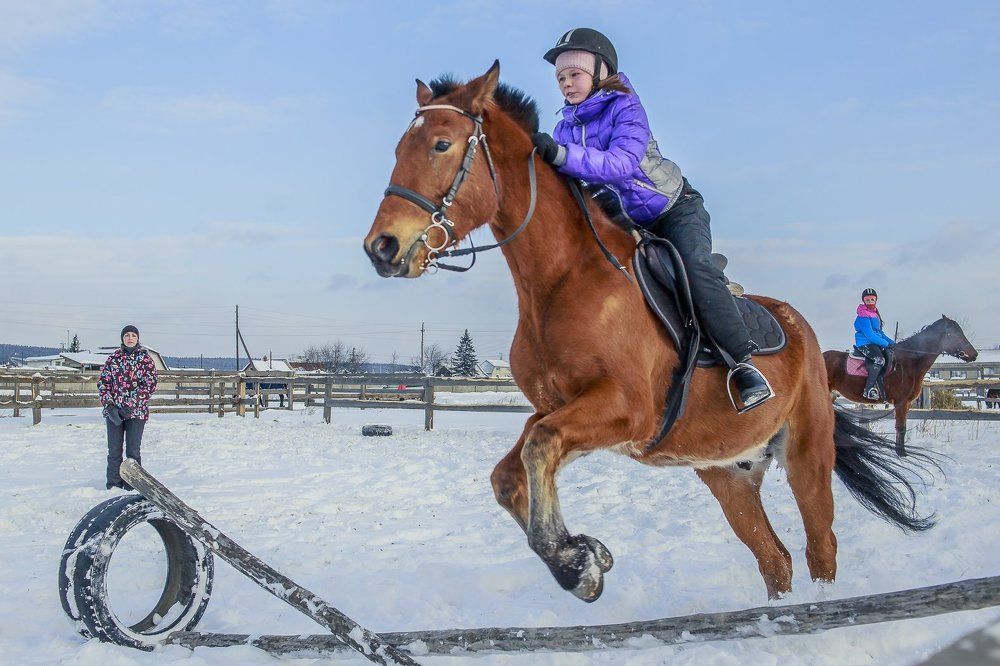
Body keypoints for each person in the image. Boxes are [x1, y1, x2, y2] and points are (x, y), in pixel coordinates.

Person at [531, 28, 773, 412]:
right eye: (560, 78)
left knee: (694, 269)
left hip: (673, 209)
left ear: (599, 71)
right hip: (627, 223)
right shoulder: (564, 127)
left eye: (573, 74)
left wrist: (560, 155)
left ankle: (743, 366)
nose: (565, 83)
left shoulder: (625, 105)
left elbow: (622, 163)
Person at [97, 325, 158, 490]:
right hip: (114, 413)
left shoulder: (145, 360)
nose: (130, 338)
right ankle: (113, 484)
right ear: (122, 338)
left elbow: (149, 385)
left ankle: (133, 484)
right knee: (114, 451)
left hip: (136, 413)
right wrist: (109, 405)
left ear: (138, 338)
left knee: (133, 451)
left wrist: (130, 406)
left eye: (133, 335)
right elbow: (104, 382)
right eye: (126, 335)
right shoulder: (113, 359)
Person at [854, 288, 894, 400]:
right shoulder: (863, 315)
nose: (870, 302)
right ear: (864, 301)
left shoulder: (875, 314)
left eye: (872, 299)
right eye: (867, 300)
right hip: (865, 343)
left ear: (876, 300)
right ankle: (868, 390)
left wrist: (893, 344)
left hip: (875, 343)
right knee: (879, 359)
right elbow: (870, 335)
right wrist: (886, 344)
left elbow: (880, 333)